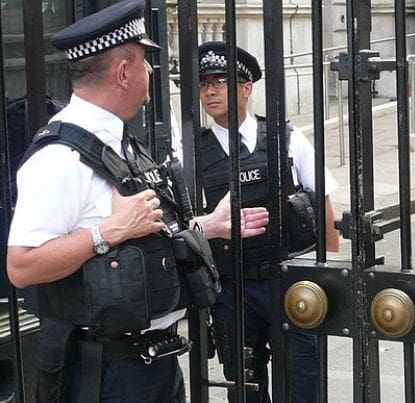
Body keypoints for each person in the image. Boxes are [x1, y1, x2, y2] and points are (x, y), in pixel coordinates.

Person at [5, 1, 268, 401]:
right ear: (123, 72)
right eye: (146, 62)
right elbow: (21, 265)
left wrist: (208, 226)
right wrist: (107, 232)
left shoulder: (120, 143)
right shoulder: (60, 157)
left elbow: (144, 234)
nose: (151, 72)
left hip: (152, 363)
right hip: (106, 373)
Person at [197, 41, 340, 403]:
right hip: (232, 289)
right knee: (244, 389)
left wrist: (329, 272)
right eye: (203, 84)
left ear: (246, 88)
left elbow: (323, 202)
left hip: (289, 281)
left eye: (220, 81)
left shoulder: (285, 138)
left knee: (303, 383)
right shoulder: (192, 154)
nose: (209, 91)